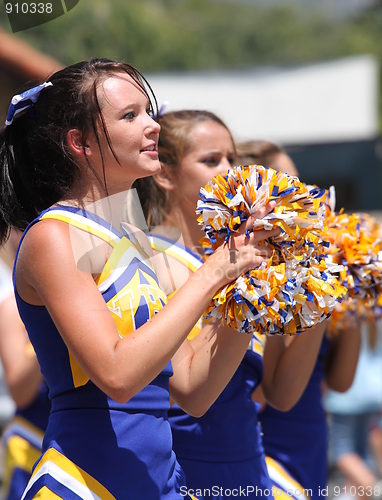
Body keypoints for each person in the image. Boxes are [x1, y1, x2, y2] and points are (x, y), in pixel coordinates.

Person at [0, 59, 281, 499]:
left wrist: (249, 284)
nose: (153, 127)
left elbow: (192, 388)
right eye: (130, 115)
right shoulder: (52, 235)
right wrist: (214, 271)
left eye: (148, 111)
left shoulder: (131, 236)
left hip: (158, 483)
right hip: (84, 484)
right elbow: (117, 374)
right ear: (80, 143)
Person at [132, 110, 328, 500]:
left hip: (249, 465)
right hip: (190, 470)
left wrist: (317, 291)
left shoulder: (247, 259)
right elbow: (192, 395)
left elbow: (281, 394)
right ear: (165, 174)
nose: (228, 171)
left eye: (232, 159)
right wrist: (244, 280)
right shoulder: (153, 260)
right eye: (210, 160)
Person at [236, 139, 361, 500]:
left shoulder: (309, 266)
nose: (304, 196)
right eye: (290, 183)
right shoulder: (262, 276)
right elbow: (263, 393)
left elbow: (340, 382)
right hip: (269, 449)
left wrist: (344, 287)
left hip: (311, 446)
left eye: (302, 183)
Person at [0, 230, 51, 500]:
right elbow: (20, 392)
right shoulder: (11, 308)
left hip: (78, 441)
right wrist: (49, 336)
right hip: (31, 443)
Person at [324, 320, 382, 499]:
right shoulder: (373, 309)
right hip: (373, 392)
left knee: (342, 451)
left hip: (347, 398)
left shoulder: (350, 312)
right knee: (362, 453)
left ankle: (374, 487)